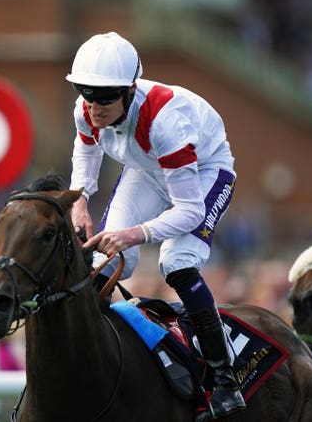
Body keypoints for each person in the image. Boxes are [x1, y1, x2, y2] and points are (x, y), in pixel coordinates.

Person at [66, 32, 244, 420]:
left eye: (104, 96)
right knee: (105, 260)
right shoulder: (86, 110)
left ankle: (223, 374)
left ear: (130, 90)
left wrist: (134, 233)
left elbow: (190, 211)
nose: (94, 106)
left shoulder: (165, 123)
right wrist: (79, 202)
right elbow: (85, 158)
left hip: (204, 173)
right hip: (147, 171)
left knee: (176, 261)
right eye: (85, 92)